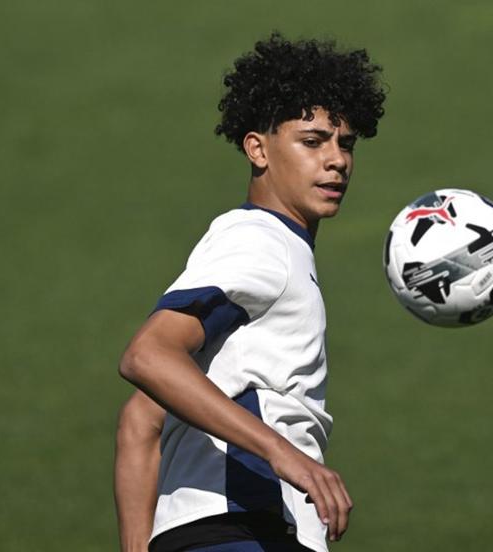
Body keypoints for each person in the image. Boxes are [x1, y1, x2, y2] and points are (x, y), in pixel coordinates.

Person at [115, 32, 386, 552]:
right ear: (257, 148)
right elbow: (147, 355)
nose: (337, 160)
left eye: (345, 143)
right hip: (246, 530)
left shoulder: (276, 250)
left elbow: (139, 419)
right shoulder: (262, 241)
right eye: (312, 141)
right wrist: (282, 453)